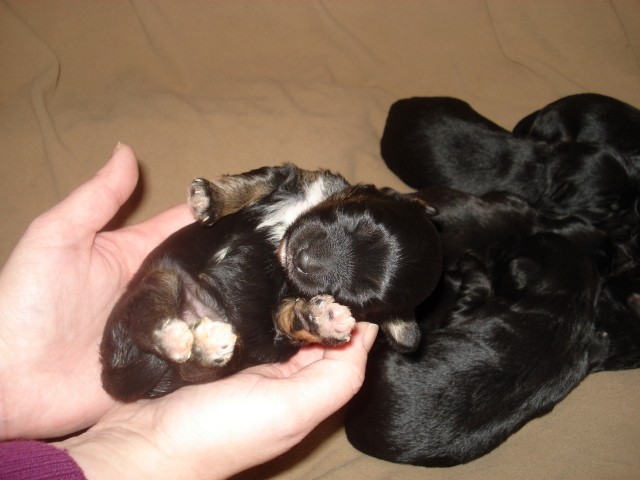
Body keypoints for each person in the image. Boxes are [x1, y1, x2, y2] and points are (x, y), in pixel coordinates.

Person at [0, 144, 378, 480]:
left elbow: (281, 321)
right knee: (164, 290)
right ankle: (168, 335)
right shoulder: (313, 189)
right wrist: (221, 196)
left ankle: (184, 346)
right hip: (170, 307)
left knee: (206, 342)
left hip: (200, 338)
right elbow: (272, 180)